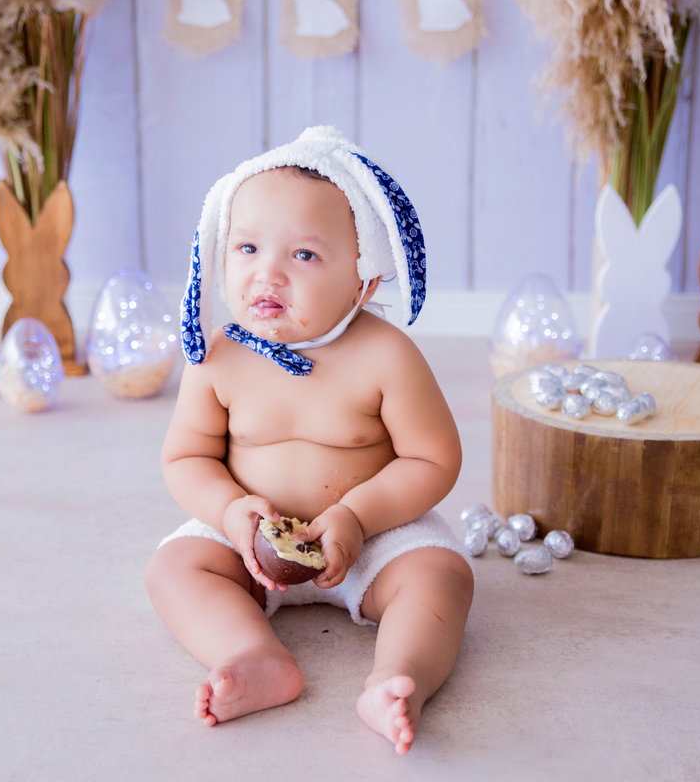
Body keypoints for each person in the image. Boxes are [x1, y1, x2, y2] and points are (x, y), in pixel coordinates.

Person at [144, 127, 474, 756]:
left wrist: (358, 515)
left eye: (304, 256)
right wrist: (229, 512)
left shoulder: (386, 356)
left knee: (442, 575)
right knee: (173, 568)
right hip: (245, 537)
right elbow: (186, 457)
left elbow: (434, 458)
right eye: (246, 247)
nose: (267, 272)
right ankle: (254, 655)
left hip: (374, 535)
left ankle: (398, 679)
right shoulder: (217, 356)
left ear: (364, 282)